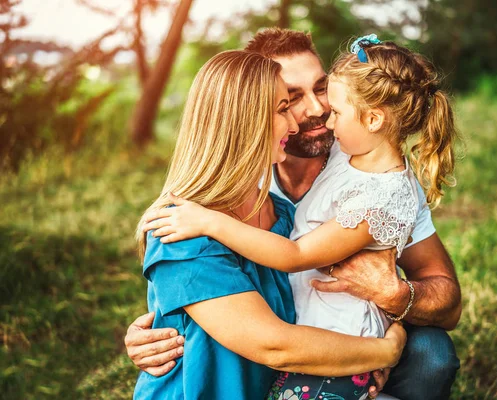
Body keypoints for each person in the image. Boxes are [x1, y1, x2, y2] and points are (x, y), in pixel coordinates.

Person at [125, 29, 462, 400]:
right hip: (283, 360)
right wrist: (160, 325)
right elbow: (263, 332)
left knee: (433, 353)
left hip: (333, 341)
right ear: (246, 115)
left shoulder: (374, 173)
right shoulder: (227, 201)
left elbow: (449, 304)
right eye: (289, 101)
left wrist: (396, 298)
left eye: (322, 89)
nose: (317, 110)